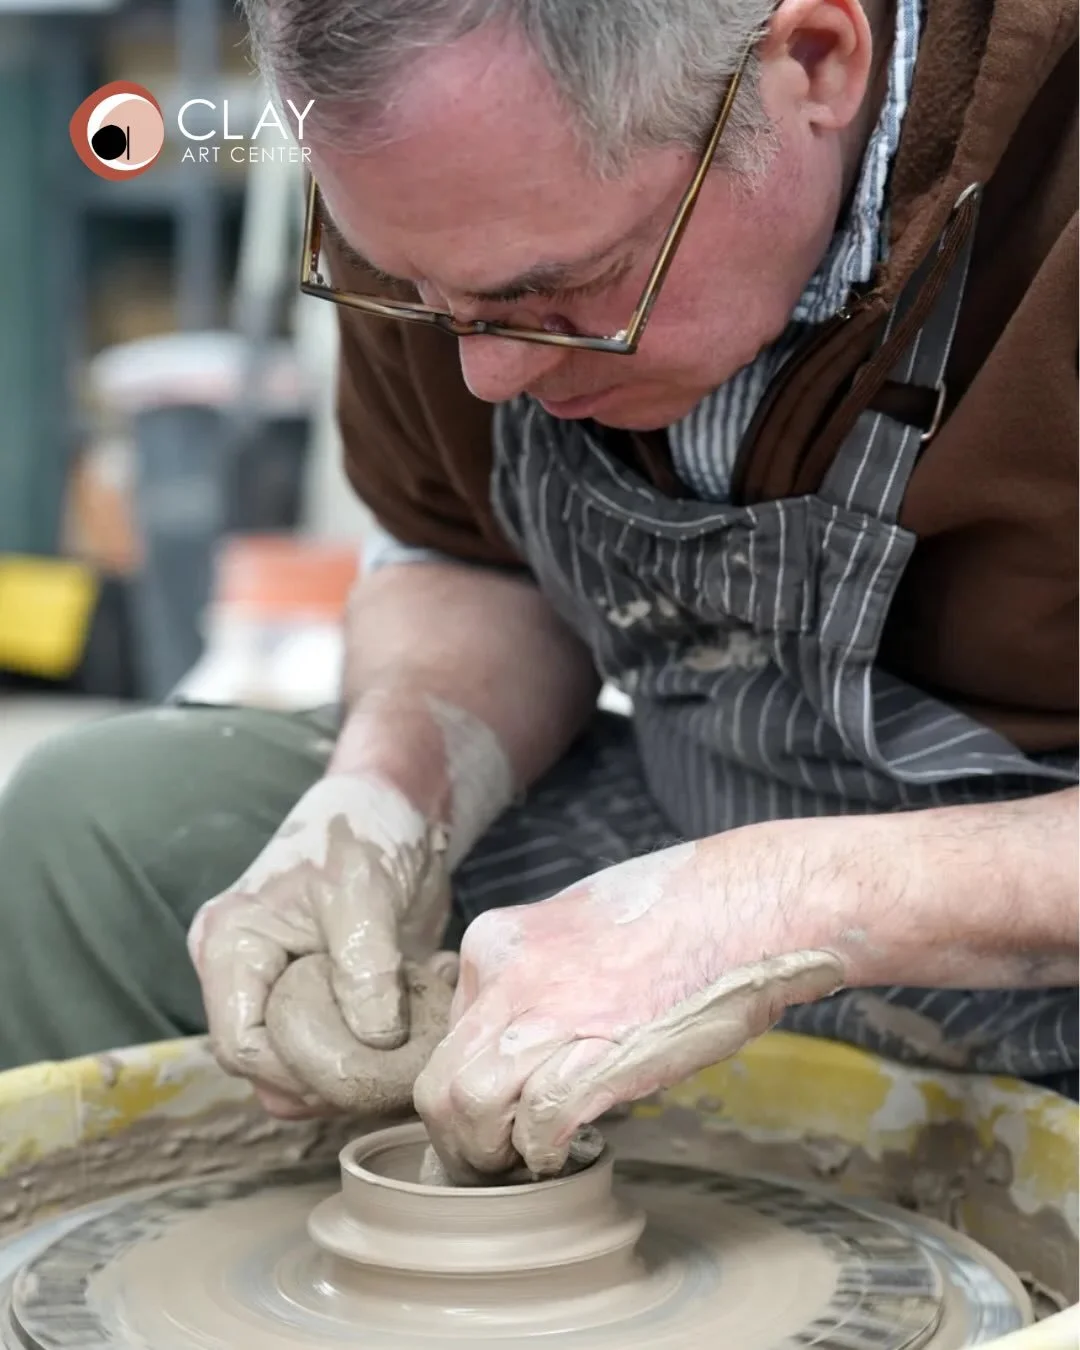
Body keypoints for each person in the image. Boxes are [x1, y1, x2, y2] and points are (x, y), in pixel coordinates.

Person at [0, 0, 1075, 1177]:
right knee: (98, 832)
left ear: (812, 61)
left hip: (1035, 932)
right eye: (413, 286)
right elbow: (469, 553)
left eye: (562, 289)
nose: (488, 370)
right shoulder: (447, 202)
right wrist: (389, 793)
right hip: (678, 827)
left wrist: (777, 903)